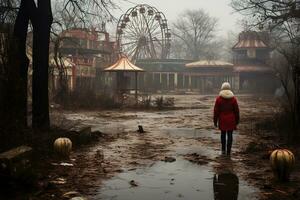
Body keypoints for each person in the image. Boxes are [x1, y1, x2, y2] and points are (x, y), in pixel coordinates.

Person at [213, 82, 240, 155]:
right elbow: (236, 111)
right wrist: (237, 121)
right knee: (230, 135)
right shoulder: (233, 99)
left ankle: (223, 150)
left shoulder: (219, 99)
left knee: (223, 134)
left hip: (222, 119)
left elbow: (216, 111)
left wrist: (215, 121)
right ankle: (229, 151)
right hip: (231, 119)